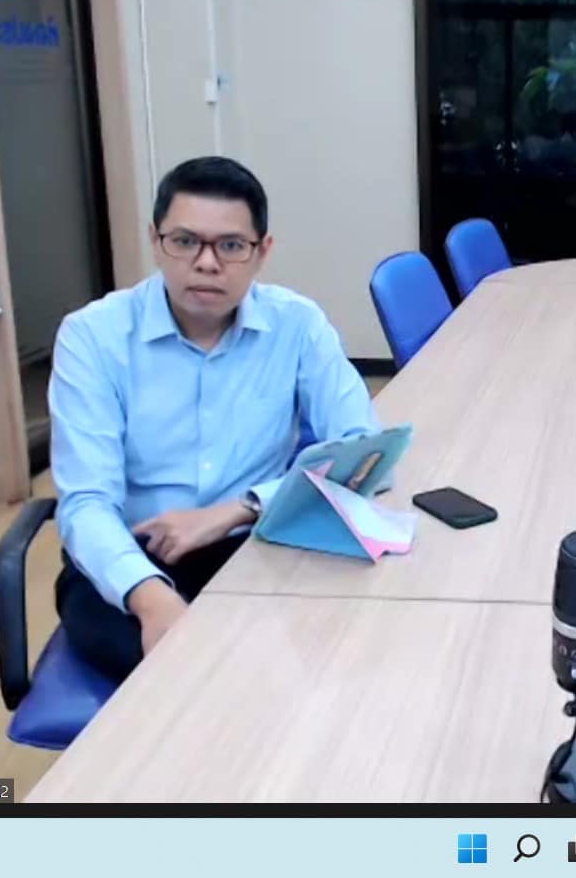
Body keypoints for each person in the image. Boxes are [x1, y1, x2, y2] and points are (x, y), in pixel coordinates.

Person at [49, 156, 378, 681]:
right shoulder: (93, 336)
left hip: (258, 544)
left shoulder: (296, 324)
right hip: (133, 557)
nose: (206, 263)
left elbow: (362, 449)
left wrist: (240, 509)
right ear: (156, 241)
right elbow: (86, 502)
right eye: (185, 242)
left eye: (230, 245)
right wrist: (152, 599)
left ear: (262, 251)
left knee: (336, 650)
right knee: (192, 674)